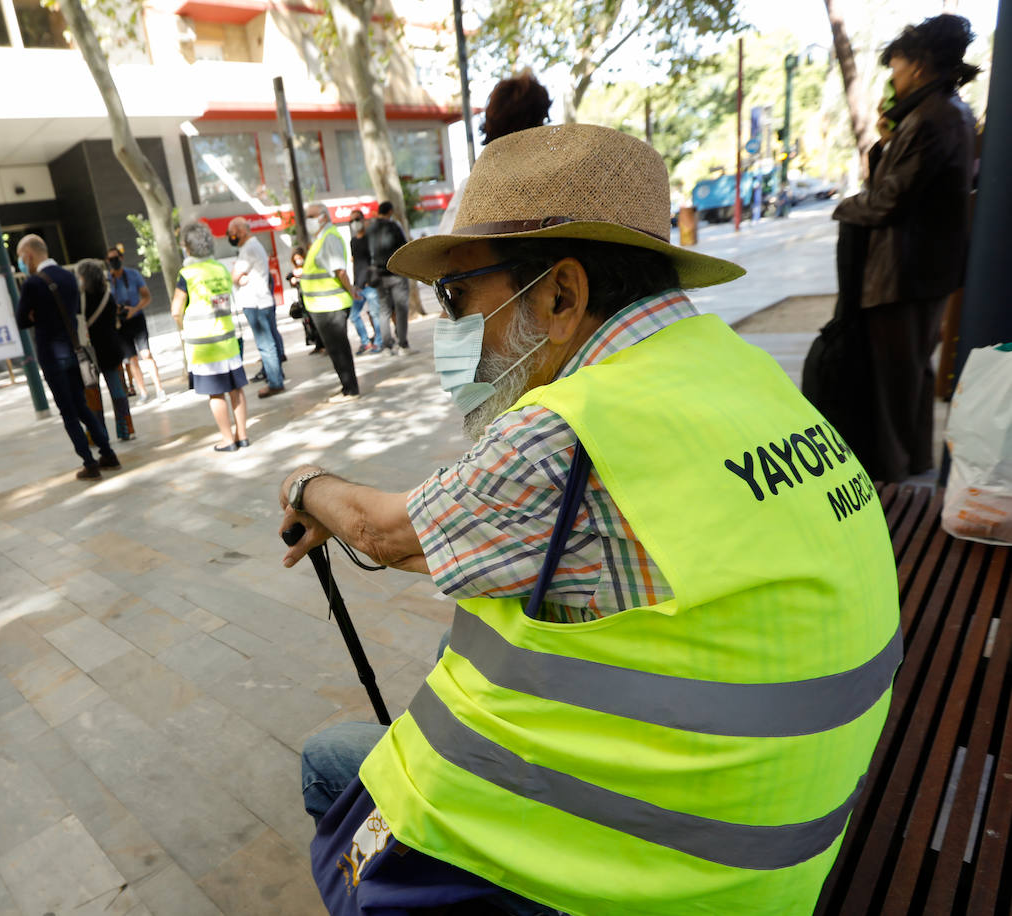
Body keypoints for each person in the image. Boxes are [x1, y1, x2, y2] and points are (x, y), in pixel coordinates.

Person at [279, 125, 900, 915]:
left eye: (458, 297)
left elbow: (382, 533)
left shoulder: (568, 433)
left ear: (561, 296)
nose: (454, 333)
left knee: (330, 762)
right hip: (775, 846)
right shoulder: (737, 371)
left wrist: (304, 481)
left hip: (661, 877)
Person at [832, 13, 979, 482]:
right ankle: (913, 472)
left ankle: (894, 484)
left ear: (916, 65)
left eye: (895, 67)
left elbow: (886, 202)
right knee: (909, 380)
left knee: (894, 387)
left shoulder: (933, 119)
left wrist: (843, 208)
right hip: (920, 271)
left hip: (904, 273)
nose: (892, 76)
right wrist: (886, 142)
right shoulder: (939, 114)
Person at [16, 235, 121, 479]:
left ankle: (89, 462)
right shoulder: (69, 276)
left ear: (29, 255)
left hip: (51, 355)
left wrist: (36, 315)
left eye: (21, 257)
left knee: (68, 412)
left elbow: (22, 319)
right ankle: (107, 452)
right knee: (81, 405)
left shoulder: (32, 284)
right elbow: (73, 311)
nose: (21, 263)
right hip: (72, 350)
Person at [440, 69, 553, 234]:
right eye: (543, 121)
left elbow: (444, 244)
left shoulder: (469, 190)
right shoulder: (558, 184)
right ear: (536, 125)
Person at [172, 221, 250, 451]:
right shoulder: (220, 269)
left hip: (204, 345)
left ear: (188, 247)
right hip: (228, 340)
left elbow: (176, 309)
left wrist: (183, 325)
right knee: (236, 389)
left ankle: (227, 440)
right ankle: (242, 436)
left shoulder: (187, 274)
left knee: (216, 394)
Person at [301, 202, 360, 399]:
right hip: (322, 306)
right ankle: (347, 387)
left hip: (331, 305)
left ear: (323, 217)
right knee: (335, 351)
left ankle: (350, 390)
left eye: (312, 216)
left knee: (339, 349)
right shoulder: (320, 238)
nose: (308, 220)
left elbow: (340, 271)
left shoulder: (329, 237)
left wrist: (351, 291)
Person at [74, 258, 134, 441]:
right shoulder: (108, 295)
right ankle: (125, 429)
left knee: (92, 395)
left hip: (90, 352)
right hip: (111, 349)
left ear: (83, 276)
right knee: (118, 392)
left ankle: (97, 433)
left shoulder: (80, 298)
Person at [227, 217, 286, 398]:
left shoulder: (248, 248)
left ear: (242, 231)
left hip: (256, 303)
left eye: (232, 232)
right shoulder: (253, 246)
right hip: (262, 301)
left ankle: (275, 382)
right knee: (271, 341)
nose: (231, 236)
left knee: (265, 345)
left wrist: (238, 277)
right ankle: (276, 375)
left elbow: (234, 277)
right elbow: (238, 276)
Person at [107, 245, 166, 403]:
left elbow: (147, 297)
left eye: (115, 258)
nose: (113, 262)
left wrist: (134, 309)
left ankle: (159, 389)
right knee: (132, 359)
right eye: (110, 260)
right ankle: (143, 392)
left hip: (137, 319)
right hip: (120, 323)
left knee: (146, 354)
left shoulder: (133, 275)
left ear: (121, 258)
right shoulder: (108, 280)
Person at [365, 201, 412, 355]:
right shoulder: (393, 227)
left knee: (383, 311)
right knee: (401, 309)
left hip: (378, 276)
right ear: (390, 211)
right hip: (396, 274)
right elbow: (404, 248)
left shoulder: (370, 229)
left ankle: (387, 346)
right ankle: (403, 344)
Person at [347, 209, 381, 355]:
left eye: (357, 219)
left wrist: (371, 280)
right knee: (354, 315)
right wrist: (355, 284)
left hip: (371, 284)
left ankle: (379, 342)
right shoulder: (353, 241)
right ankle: (365, 342)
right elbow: (356, 264)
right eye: (351, 220)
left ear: (363, 220)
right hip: (359, 286)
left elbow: (375, 261)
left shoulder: (371, 239)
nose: (354, 223)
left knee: (375, 314)